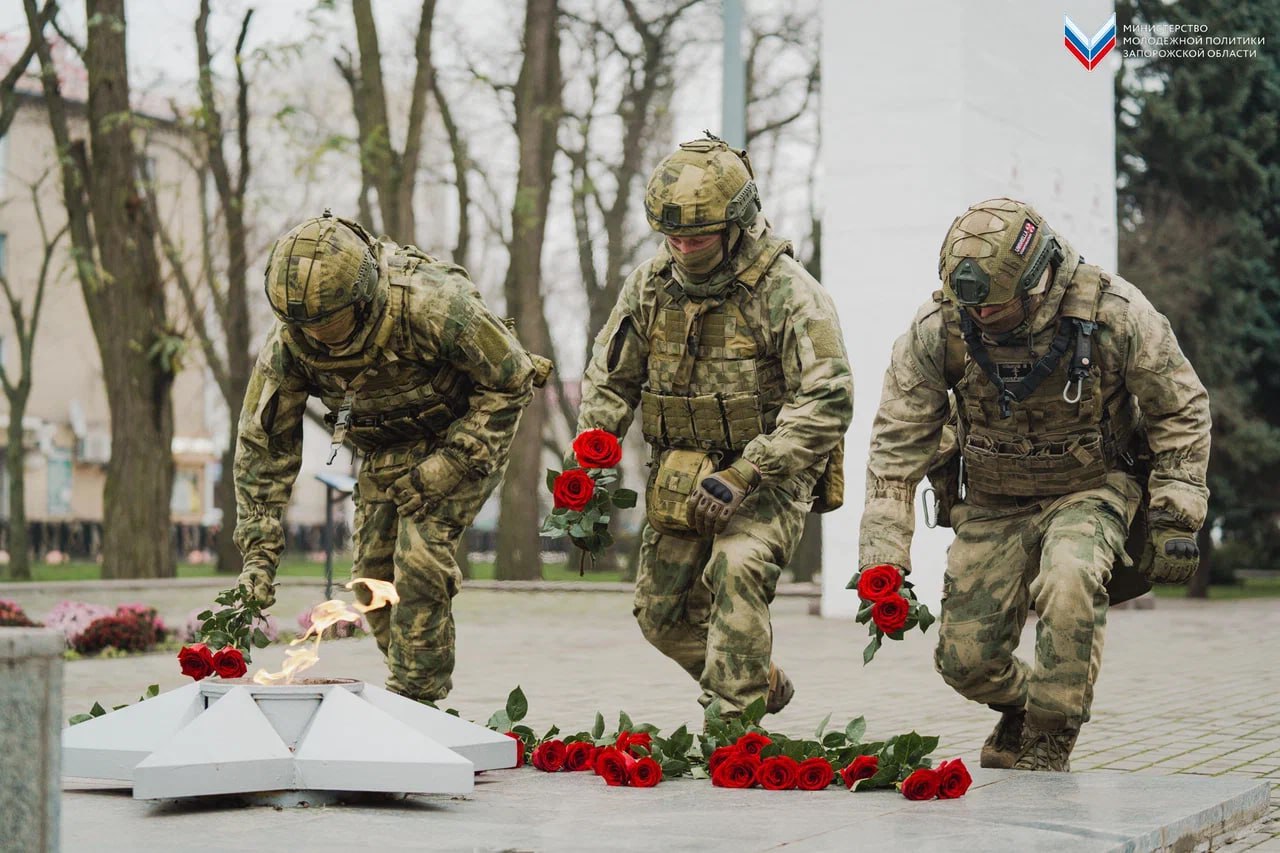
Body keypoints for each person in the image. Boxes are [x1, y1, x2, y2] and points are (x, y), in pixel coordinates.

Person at [858, 197, 1210, 770]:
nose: (978, 319)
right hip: (992, 499)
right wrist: (883, 558)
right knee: (965, 661)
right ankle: (1028, 704)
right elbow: (897, 446)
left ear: (1037, 279)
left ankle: (1050, 738)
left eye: (993, 308)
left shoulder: (1115, 313)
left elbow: (1181, 408)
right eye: (969, 307)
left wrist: (1176, 511)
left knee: (1069, 581)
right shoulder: (939, 328)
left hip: (1090, 487)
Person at [575, 135, 853, 717]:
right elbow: (609, 378)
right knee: (659, 616)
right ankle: (755, 676)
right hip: (680, 473)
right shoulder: (649, 286)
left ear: (736, 225)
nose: (681, 247)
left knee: (736, 568)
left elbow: (828, 396)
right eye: (671, 236)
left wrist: (750, 470)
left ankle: (734, 731)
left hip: (768, 475)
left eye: (696, 237)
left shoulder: (788, 291)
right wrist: (591, 461)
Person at [233, 211, 548, 704]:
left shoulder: (434, 305)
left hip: (461, 433)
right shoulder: (291, 342)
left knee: (420, 561)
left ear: (360, 300)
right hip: (384, 450)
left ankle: (416, 704)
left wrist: (452, 463)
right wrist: (258, 555)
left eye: (326, 323)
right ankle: (413, 681)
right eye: (302, 325)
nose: (314, 336)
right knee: (373, 587)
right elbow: (265, 444)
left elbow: (511, 380)